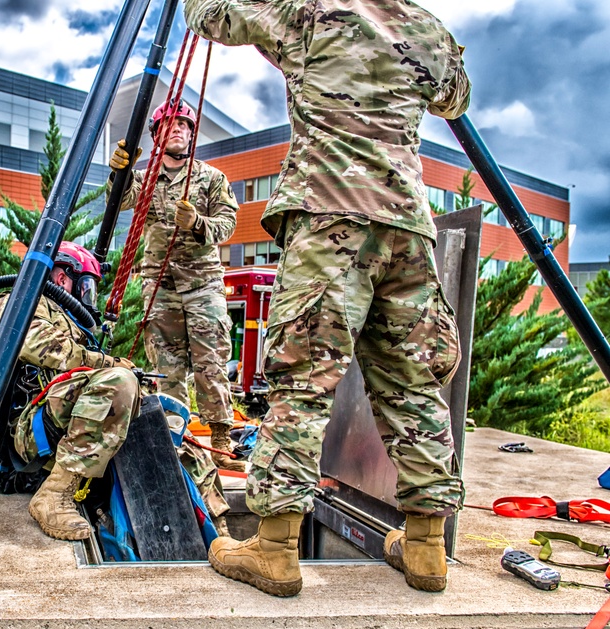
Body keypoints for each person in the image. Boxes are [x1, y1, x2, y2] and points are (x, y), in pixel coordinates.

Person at [183, 0, 471, 595]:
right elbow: (455, 98)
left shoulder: (310, 13)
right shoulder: (428, 30)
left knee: (302, 382)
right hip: (409, 229)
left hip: (331, 219)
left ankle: (275, 550)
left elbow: (213, 16)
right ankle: (425, 547)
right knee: (413, 384)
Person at [108, 100, 243, 471]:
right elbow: (118, 202)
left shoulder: (211, 178)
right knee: (166, 365)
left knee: (210, 361)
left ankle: (220, 436)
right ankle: (174, 438)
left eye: (185, 124)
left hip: (202, 283)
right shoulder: (146, 178)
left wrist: (198, 222)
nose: (179, 129)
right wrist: (120, 172)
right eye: (171, 124)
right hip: (160, 284)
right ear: (156, 136)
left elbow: (227, 225)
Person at [0, 242, 141, 541]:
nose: (87, 297)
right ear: (61, 279)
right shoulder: (18, 301)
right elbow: (41, 345)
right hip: (30, 428)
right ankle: (54, 495)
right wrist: (110, 364)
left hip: (57, 415)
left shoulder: (67, 319)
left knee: (160, 406)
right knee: (118, 383)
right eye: (85, 286)